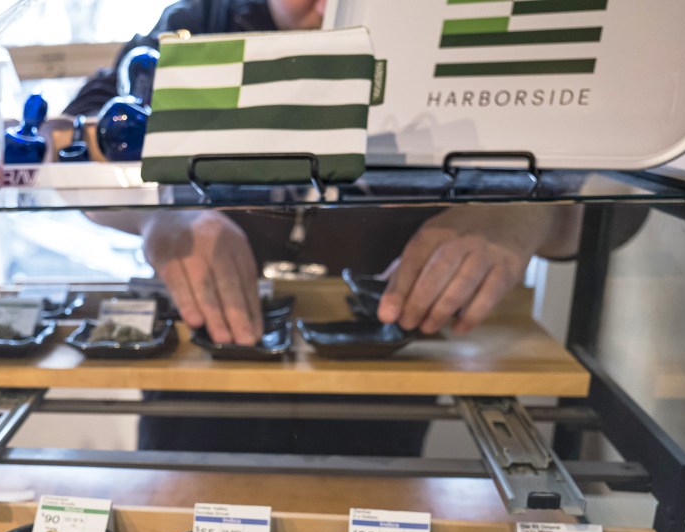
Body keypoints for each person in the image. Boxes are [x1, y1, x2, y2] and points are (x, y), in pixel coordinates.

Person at [65, 0, 614, 455]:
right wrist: (161, 217)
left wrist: (520, 213)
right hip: (195, 398)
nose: (331, 7)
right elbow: (61, 151)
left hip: (379, 407)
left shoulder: (444, 41)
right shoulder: (197, 24)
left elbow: (613, 206)